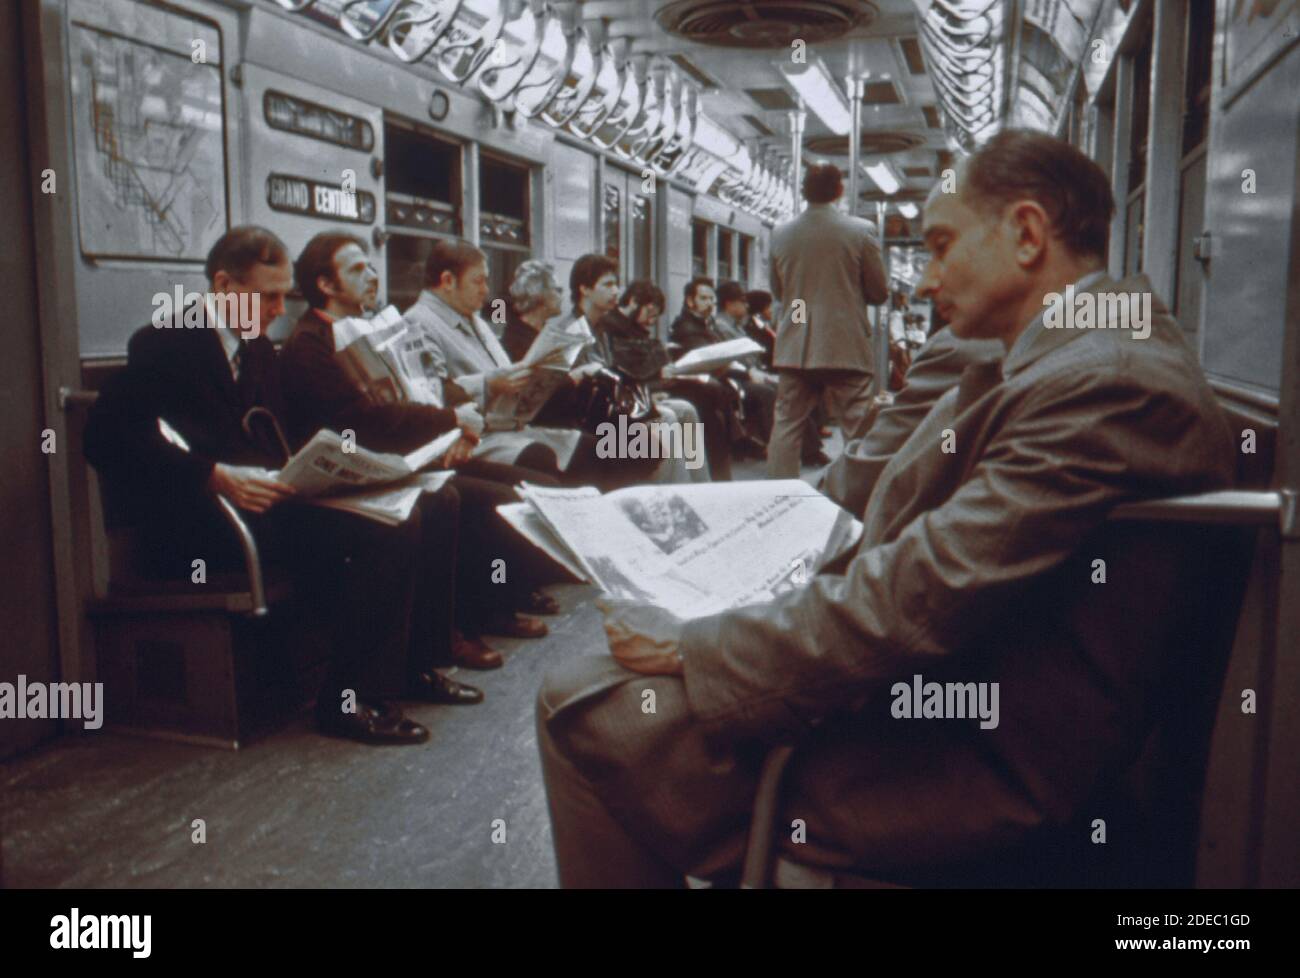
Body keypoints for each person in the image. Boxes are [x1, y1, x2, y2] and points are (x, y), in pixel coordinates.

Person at [535, 130, 1236, 886]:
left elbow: (922, 596)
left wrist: (695, 644)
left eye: (940, 246)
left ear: (1027, 234)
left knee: (578, 705)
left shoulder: (1104, 386)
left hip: (968, 753)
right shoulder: (1077, 356)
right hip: (963, 692)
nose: (927, 279)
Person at [83, 226, 481, 748]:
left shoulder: (257, 350)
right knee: (388, 530)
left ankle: (415, 666)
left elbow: (294, 434)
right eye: (266, 296)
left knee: (432, 500)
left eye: (282, 296)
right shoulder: (167, 343)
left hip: (271, 504)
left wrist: (367, 465)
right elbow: (106, 439)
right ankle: (345, 699)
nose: (277, 308)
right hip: (209, 523)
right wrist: (213, 476)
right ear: (224, 286)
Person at [279, 231, 563, 662]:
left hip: (408, 453)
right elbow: (366, 419)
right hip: (362, 472)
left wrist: (451, 430)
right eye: (357, 269)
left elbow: (422, 389)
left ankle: (483, 611)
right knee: (463, 501)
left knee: (517, 489)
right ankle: (441, 639)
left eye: (372, 266)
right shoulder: (312, 345)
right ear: (325, 284)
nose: (372, 276)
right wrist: (449, 423)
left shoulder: (370, 328)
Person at [400, 240, 646, 492]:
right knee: (571, 458)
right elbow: (430, 395)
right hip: (480, 435)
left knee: (611, 450)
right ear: (448, 281)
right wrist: (489, 384)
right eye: (479, 281)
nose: (486, 290)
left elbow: (505, 371)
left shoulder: (474, 318)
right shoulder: (416, 324)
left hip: (512, 426)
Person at [765, 162, 889, 478]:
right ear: (839, 191)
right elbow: (879, 293)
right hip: (844, 345)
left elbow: (779, 291)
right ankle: (862, 498)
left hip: (796, 346)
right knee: (858, 425)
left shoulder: (780, 233)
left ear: (803, 192)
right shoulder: (861, 231)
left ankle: (780, 497)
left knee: (786, 426)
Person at [669, 277, 768, 460]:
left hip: (717, 376)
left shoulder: (706, 324)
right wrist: (745, 372)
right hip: (703, 380)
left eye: (711, 299)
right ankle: (742, 441)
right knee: (756, 391)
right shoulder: (688, 327)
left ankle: (745, 440)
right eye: (703, 299)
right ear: (690, 301)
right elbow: (706, 356)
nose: (709, 304)